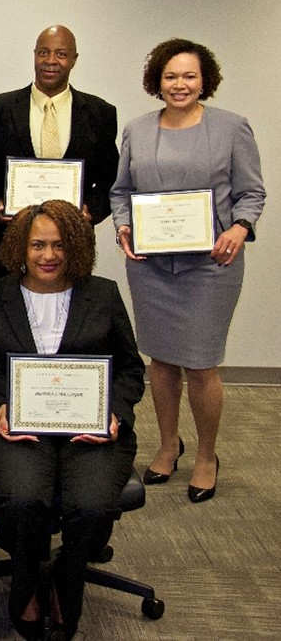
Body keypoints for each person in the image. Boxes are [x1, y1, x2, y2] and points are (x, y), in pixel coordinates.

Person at [0, 200, 145, 640]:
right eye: (37, 244)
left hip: (90, 429)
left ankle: (65, 580)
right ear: (20, 247)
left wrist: (114, 413)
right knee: (24, 498)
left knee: (92, 503)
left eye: (59, 245)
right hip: (15, 429)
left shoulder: (103, 294)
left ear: (74, 248)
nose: (48, 255)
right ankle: (27, 581)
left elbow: (132, 370)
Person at [110, 39, 265, 503]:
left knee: (200, 365)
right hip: (152, 267)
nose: (180, 85)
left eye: (189, 76)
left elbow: (251, 193)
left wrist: (239, 228)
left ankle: (206, 454)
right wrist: (123, 228)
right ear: (157, 80)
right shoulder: (137, 130)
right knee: (160, 361)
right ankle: (168, 445)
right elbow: (121, 193)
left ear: (205, 80)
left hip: (210, 266)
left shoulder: (232, 128)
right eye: (171, 76)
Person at [0, 25, 119, 279]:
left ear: (74, 60)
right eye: (43, 52)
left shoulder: (101, 113)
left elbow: (112, 178)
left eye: (61, 54)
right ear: (34, 55)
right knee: (6, 314)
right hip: (9, 240)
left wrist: (91, 210)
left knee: (71, 315)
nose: (51, 61)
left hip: (72, 245)